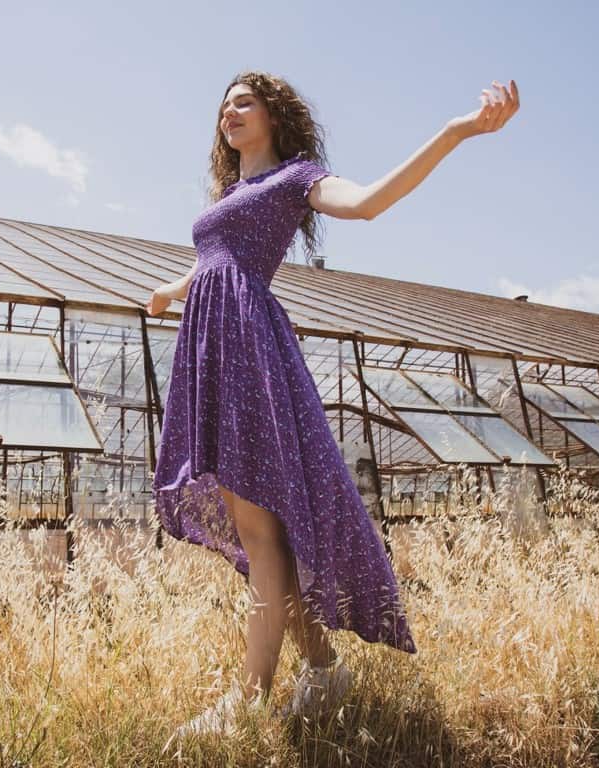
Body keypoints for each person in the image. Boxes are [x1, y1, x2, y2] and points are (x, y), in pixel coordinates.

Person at [146, 70, 520, 738]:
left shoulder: (295, 178)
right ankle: (322, 667)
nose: (229, 112)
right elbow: (214, 257)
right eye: (223, 105)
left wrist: (455, 132)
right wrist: (169, 291)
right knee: (263, 532)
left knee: (262, 532)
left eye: (244, 102)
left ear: (273, 116)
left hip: (247, 350)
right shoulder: (234, 193)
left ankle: (248, 702)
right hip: (214, 347)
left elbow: (370, 202)